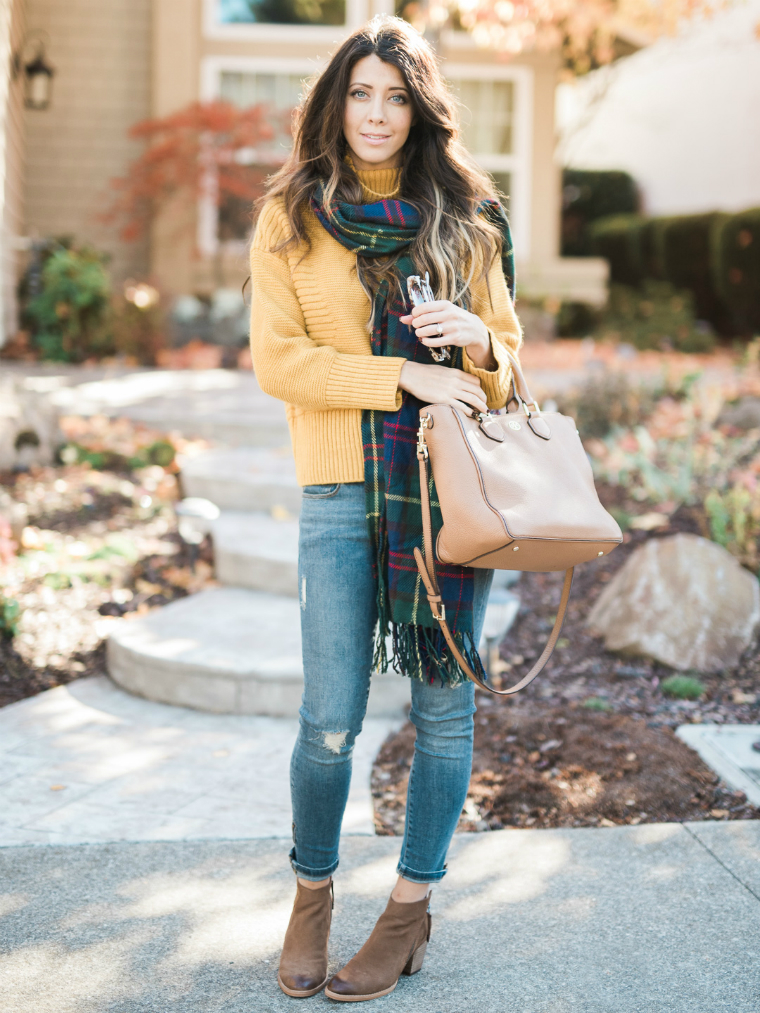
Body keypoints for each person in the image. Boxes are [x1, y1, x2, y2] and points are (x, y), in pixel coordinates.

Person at [248, 15, 522, 1003]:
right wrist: (402, 369)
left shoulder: (470, 215)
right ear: (335, 102)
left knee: (444, 711)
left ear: (420, 107)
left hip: (447, 497)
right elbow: (280, 361)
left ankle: (408, 909)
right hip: (337, 492)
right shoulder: (291, 216)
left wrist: (477, 345)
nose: (375, 113)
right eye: (359, 93)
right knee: (329, 718)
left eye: (395, 95)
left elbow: (511, 354)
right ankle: (311, 895)